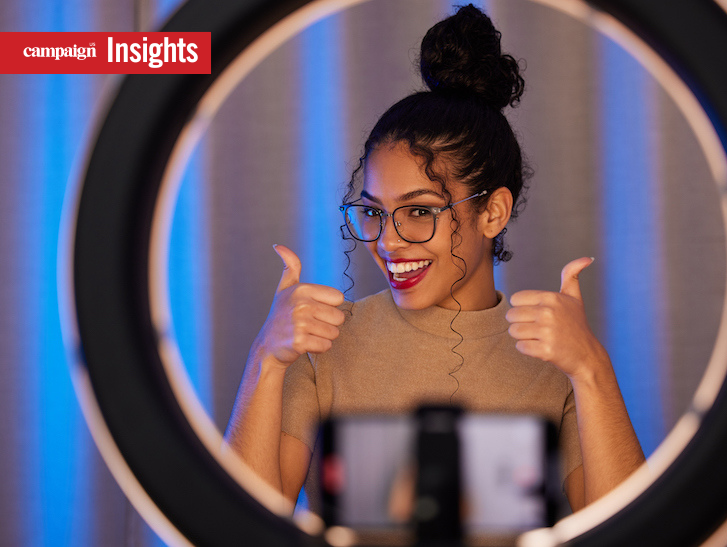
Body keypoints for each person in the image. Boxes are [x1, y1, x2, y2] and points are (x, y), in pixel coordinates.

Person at [225, 4, 644, 515]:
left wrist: (592, 369)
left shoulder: (557, 363)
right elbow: (237, 528)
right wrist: (264, 360)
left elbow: (631, 533)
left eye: (420, 210)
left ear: (493, 211)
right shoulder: (323, 347)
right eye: (375, 213)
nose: (388, 242)